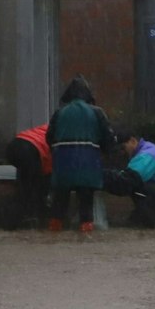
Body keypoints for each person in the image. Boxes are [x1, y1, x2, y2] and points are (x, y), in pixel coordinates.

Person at [47, 76, 114, 236]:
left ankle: (54, 231)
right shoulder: (97, 112)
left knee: (59, 202)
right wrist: (106, 153)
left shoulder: (59, 113)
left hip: (63, 166)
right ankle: (86, 233)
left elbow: (49, 137)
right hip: (88, 165)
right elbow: (108, 138)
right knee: (86, 203)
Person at [5, 122, 51, 228]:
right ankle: (24, 222)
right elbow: (48, 171)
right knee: (31, 191)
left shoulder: (50, 126)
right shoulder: (63, 138)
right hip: (31, 149)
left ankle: (14, 222)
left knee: (24, 186)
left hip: (14, 146)